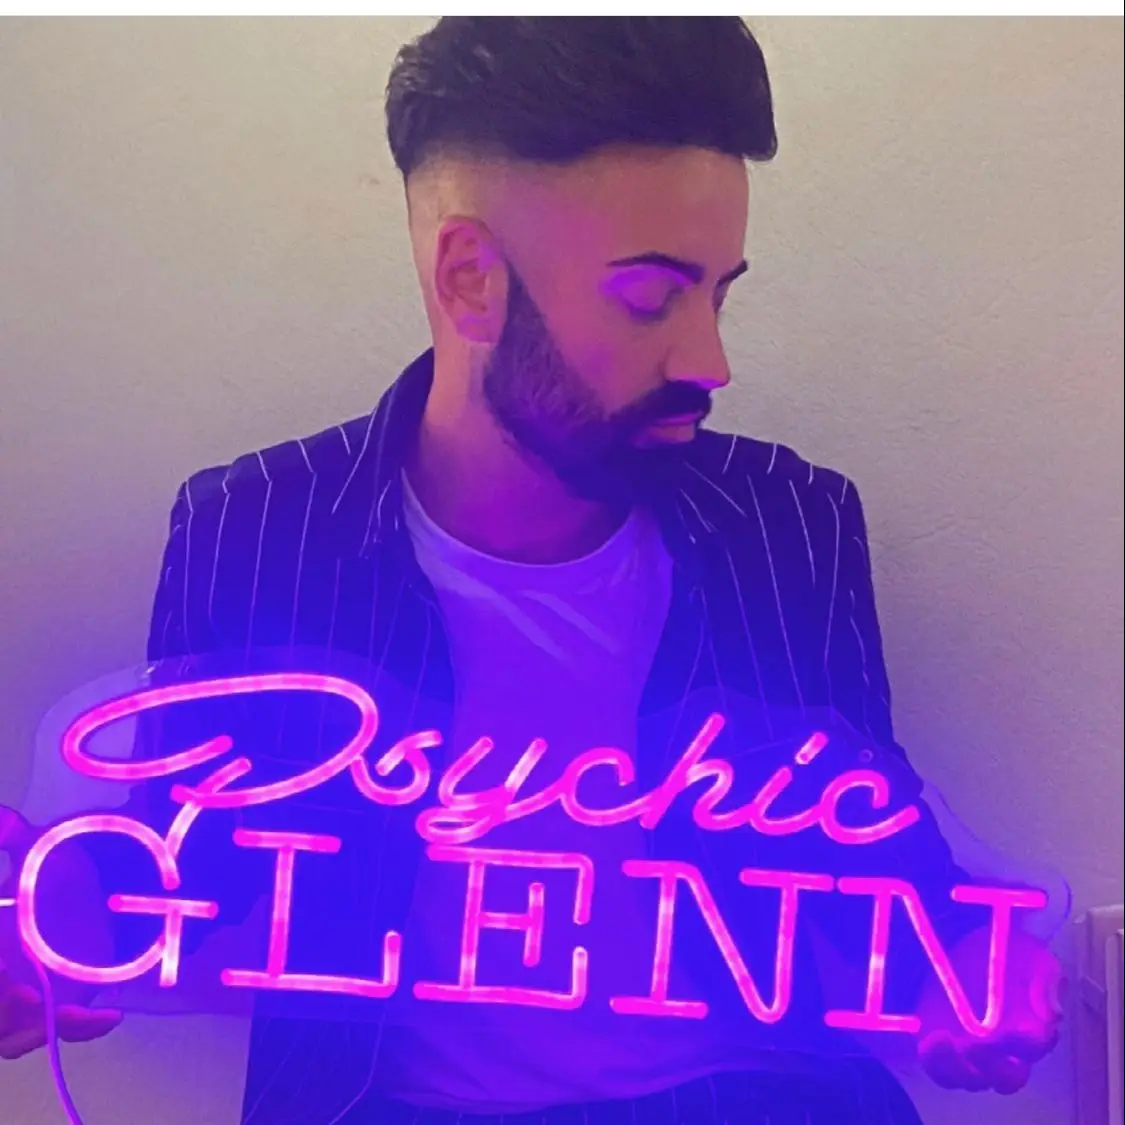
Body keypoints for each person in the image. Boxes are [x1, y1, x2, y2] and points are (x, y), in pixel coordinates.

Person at [0, 17, 1063, 1125]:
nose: (709, 360)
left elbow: (877, 860)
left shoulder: (787, 523)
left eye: (719, 294)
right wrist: (53, 925)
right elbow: (182, 882)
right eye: (649, 298)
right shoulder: (259, 530)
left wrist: (973, 963)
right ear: (471, 279)